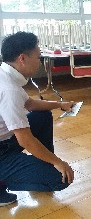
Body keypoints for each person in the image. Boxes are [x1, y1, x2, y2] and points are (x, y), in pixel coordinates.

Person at [0, 32, 75, 206]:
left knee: (42, 115)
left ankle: (41, 163)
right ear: (22, 58)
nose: (39, 62)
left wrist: (60, 104)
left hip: (6, 141)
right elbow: (25, 139)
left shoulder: (6, 75)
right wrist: (59, 163)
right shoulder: (8, 89)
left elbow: (30, 104)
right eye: (38, 57)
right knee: (60, 178)